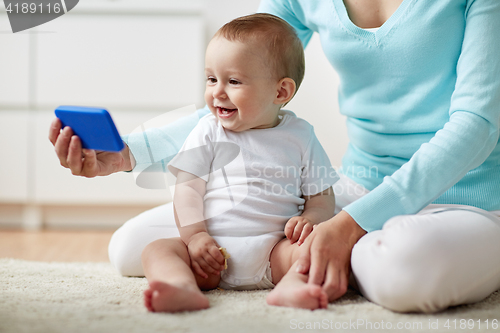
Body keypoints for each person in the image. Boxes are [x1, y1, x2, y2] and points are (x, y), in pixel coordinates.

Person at [49, 0, 500, 313]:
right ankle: (332, 263)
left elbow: (476, 127)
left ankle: (336, 261)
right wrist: (128, 153)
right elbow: (241, 95)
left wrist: (348, 225)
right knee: (131, 247)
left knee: (404, 273)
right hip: (357, 186)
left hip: (466, 195)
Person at [140, 13, 339, 312]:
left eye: (233, 81)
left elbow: (322, 196)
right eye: (211, 79)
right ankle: (180, 285)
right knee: (158, 250)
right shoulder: (208, 131)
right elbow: (187, 191)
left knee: (314, 250)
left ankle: (291, 286)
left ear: (280, 91)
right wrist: (195, 238)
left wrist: (311, 219)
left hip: (275, 251)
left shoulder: (300, 136)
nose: (217, 92)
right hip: (211, 254)